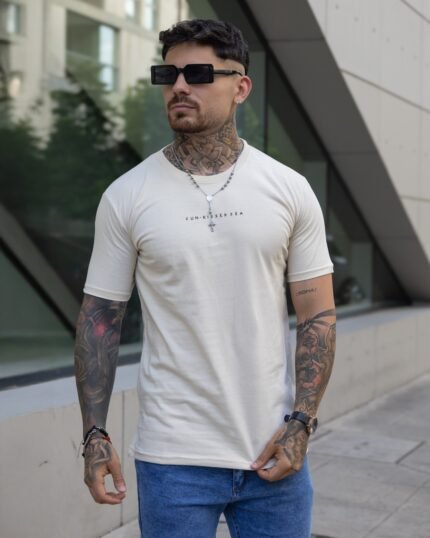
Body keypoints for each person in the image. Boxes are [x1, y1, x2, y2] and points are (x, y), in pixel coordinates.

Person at [75, 18, 336, 538]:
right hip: (172, 457)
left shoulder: (288, 189)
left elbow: (317, 316)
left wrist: (302, 424)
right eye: (167, 74)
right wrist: (94, 435)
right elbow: (99, 321)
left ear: (241, 87)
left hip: (274, 450)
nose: (179, 86)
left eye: (197, 74)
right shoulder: (126, 195)